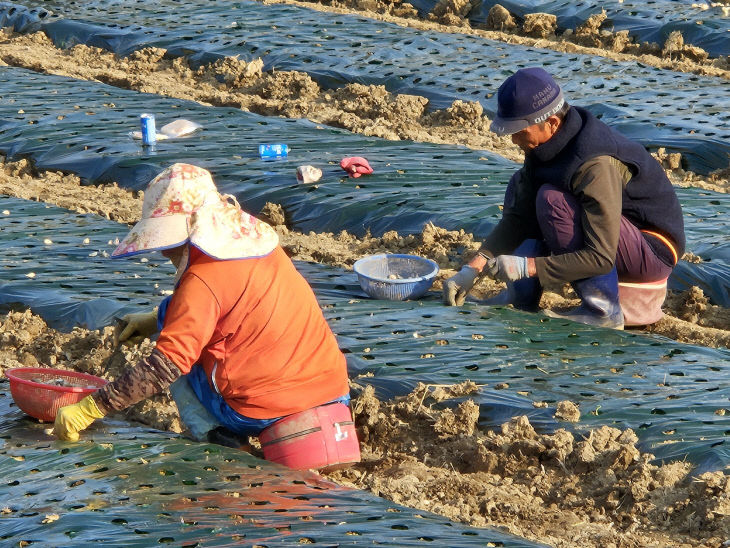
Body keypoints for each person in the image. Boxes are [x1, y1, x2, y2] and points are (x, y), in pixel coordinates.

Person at [53, 163, 351, 450]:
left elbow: (165, 365)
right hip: (333, 391)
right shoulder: (257, 243)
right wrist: (154, 318)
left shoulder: (201, 280)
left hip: (264, 408)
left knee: (178, 364)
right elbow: (230, 304)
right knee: (175, 320)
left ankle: (220, 440)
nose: (162, 251)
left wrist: (91, 407)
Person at [442, 67, 685, 329]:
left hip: (650, 249)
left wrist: (529, 267)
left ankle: (602, 311)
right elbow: (519, 217)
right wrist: (473, 269)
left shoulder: (594, 163)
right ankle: (521, 296)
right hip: (619, 239)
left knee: (552, 201)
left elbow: (600, 256)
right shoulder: (544, 144)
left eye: (519, 131)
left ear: (552, 123)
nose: (513, 140)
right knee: (522, 186)